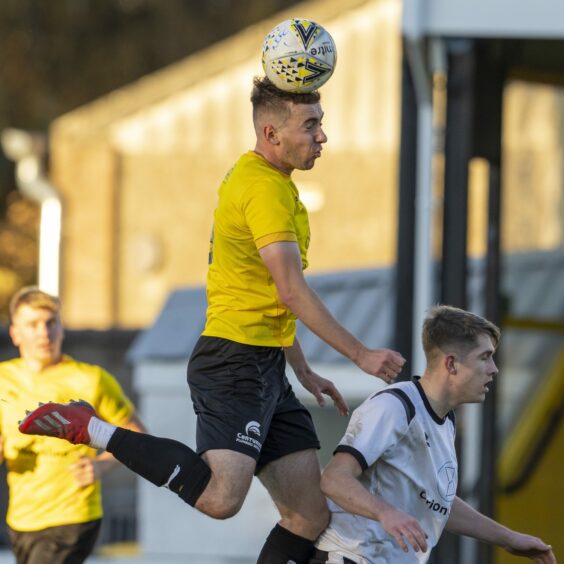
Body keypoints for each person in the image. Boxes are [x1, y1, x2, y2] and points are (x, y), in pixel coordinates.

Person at [18, 76, 405, 564]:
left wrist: (303, 370)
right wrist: (361, 354)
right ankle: (90, 427)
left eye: (321, 124)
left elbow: (269, 297)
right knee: (222, 499)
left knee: (309, 515)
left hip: (266, 366)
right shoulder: (261, 189)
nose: (322, 136)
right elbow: (292, 291)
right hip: (233, 363)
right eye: (311, 125)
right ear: (271, 134)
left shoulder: (274, 184)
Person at [310, 305, 557, 564]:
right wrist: (386, 513)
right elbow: (334, 479)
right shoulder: (395, 406)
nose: (494, 369)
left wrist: (509, 539)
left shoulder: (445, 420)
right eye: (485, 357)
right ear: (451, 364)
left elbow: (438, 503)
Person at [0, 286, 146, 564]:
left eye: (51, 322)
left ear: (61, 329)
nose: (44, 332)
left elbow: (137, 434)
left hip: (74, 516)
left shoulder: (92, 379)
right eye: (33, 324)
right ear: (15, 333)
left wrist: (101, 465)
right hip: (21, 520)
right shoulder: (2, 379)